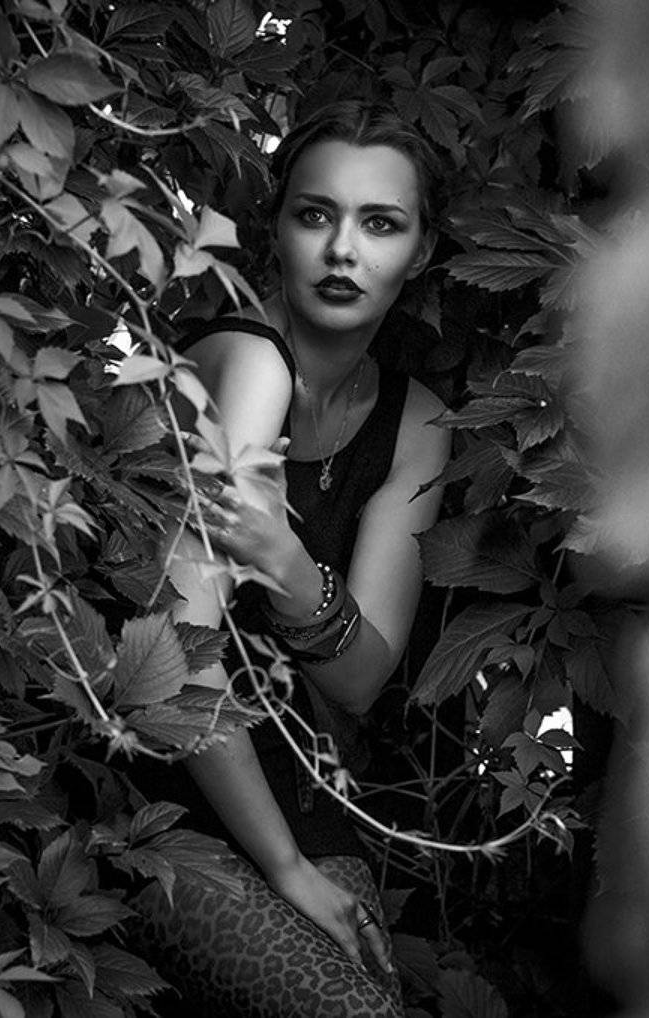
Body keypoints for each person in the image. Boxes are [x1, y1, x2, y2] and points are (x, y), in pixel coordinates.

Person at [128, 100, 452, 1018]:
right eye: (316, 215)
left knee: (376, 995)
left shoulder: (418, 423)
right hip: (145, 784)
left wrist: (286, 559)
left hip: (290, 778)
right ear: (274, 228)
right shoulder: (249, 363)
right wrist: (285, 869)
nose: (342, 250)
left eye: (380, 224)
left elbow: (361, 679)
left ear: (421, 250)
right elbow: (168, 669)